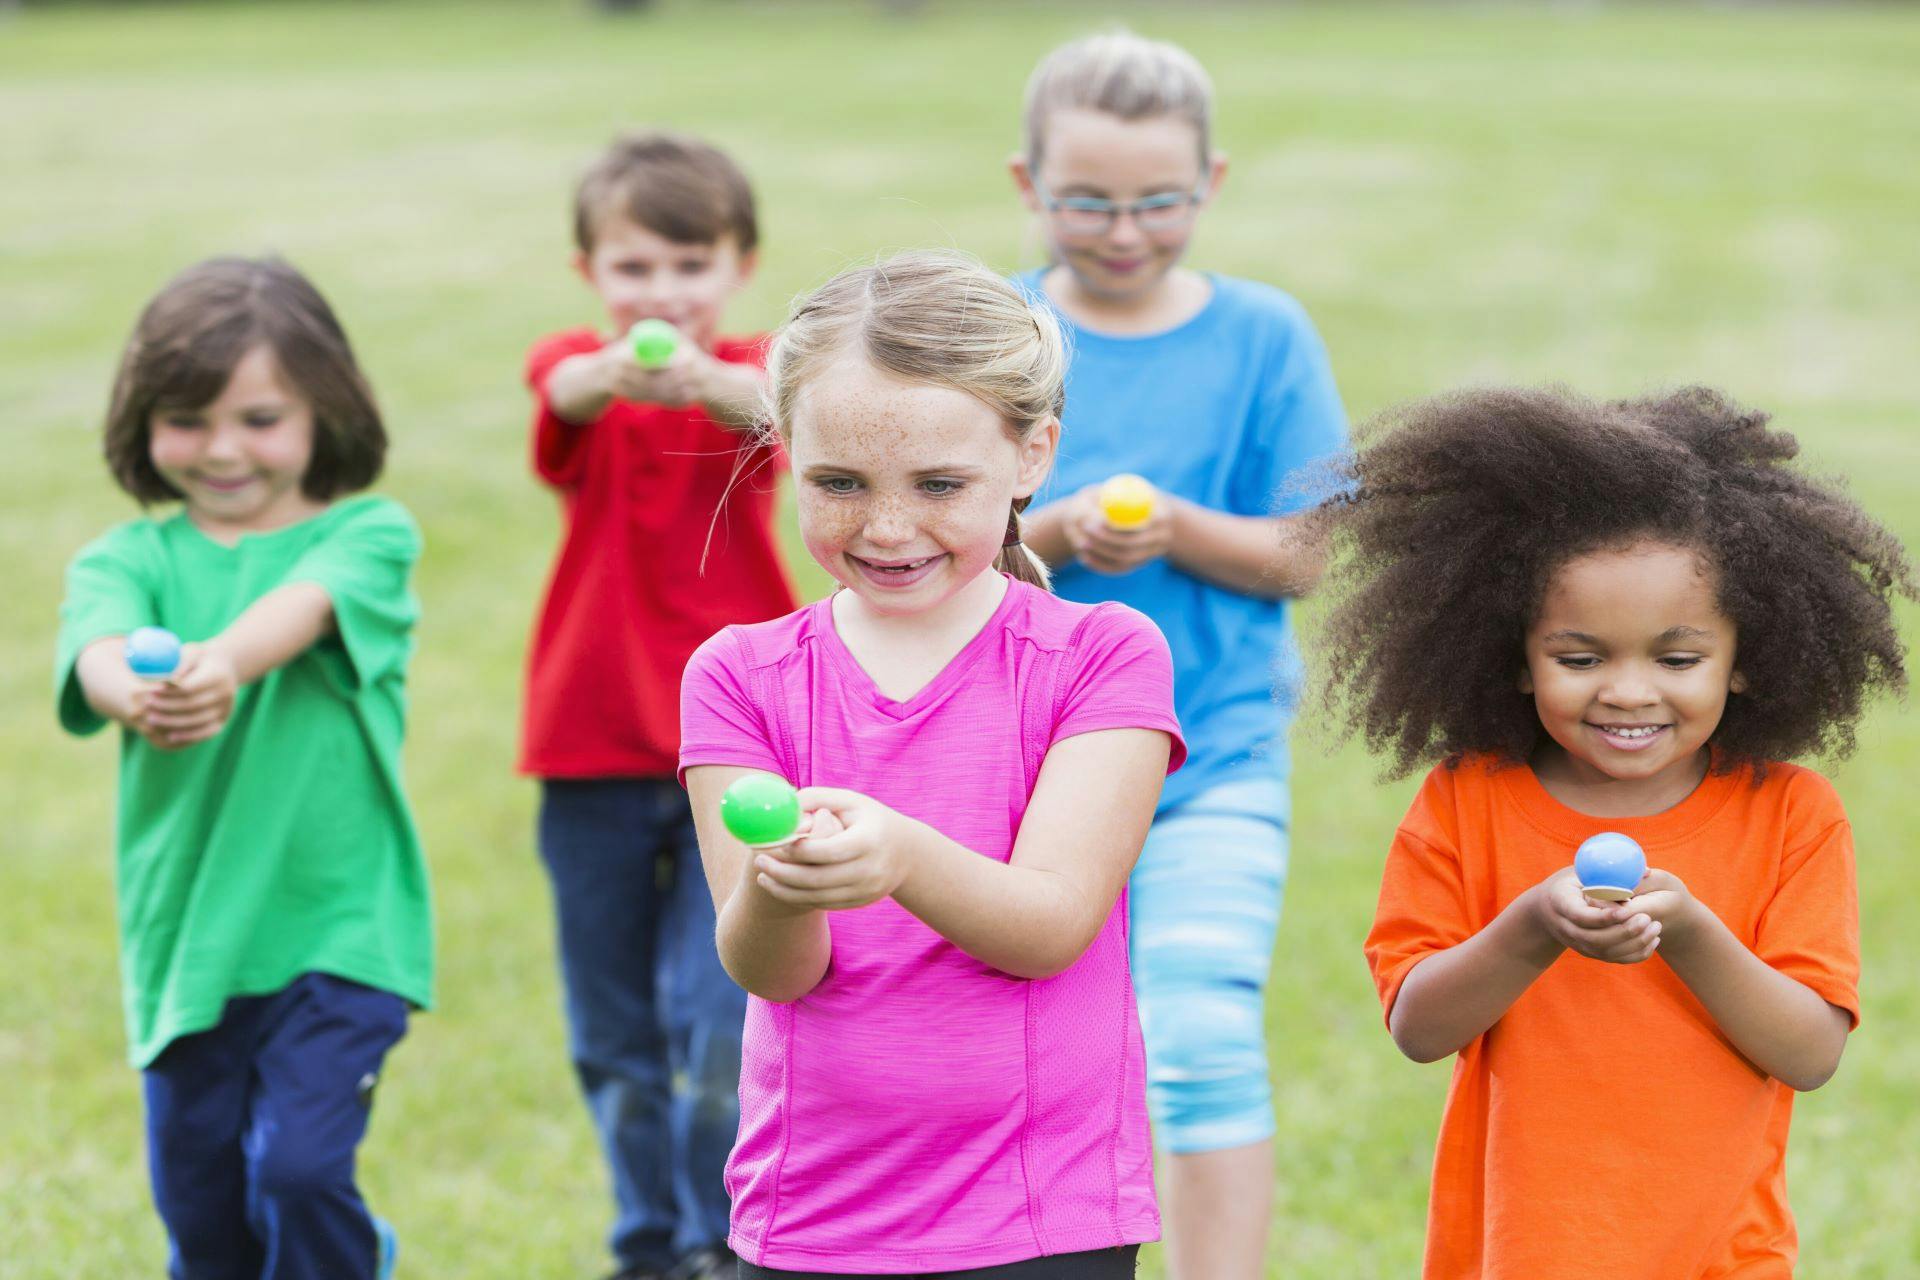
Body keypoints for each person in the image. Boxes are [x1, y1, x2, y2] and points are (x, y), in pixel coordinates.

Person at [1315, 386, 1915, 1278]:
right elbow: (1419, 1027)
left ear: (1746, 661)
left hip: (1724, 1257)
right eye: (1580, 657)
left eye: (1677, 660)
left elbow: (1809, 1052)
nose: (1629, 692)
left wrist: (1690, 929)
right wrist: (1531, 926)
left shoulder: (1791, 813)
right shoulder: (1465, 802)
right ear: (1516, 659)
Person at [678, 250, 1185, 1277]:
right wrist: (785, 886)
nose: (889, 526)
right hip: (811, 1213)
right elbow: (773, 969)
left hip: (1041, 1216)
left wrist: (898, 853)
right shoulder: (738, 675)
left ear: (1033, 454)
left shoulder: (1101, 656)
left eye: (940, 483)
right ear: (787, 455)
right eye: (839, 483)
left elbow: (1047, 925)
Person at [1007, 30, 1349, 1277]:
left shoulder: (1263, 336)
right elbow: (941, 546)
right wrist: (1054, 528)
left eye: (1157, 200)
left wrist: (1174, 525)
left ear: (1208, 184)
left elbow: (1305, 553)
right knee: (1031, 1042)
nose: (1122, 227)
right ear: (1026, 184)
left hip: (1213, 758)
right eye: (1086, 199)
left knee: (1200, 1038)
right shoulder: (1002, 333)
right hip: (1023, 771)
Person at [56, 256, 431, 1280]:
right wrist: (127, 686)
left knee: (299, 1171)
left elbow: (304, 603)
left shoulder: (369, 533)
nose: (222, 448)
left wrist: (215, 664)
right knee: (204, 1214)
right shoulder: (126, 560)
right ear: (143, 420)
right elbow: (96, 649)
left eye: (260, 418)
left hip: (339, 927)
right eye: (187, 417)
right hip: (189, 941)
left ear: (326, 412)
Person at [521, 130, 795, 1280]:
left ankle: (717, 1239)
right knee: (616, 1038)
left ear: (738, 264)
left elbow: (782, 407)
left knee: (714, 1021)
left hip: (732, 750)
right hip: (586, 746)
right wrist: (613, 367)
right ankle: (644, 1243)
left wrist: (702, 375)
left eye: (691, 264)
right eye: (634, 268)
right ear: (590, 273)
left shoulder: (761, 370)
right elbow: (561, 393)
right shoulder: (582, 375)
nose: (664, 292)